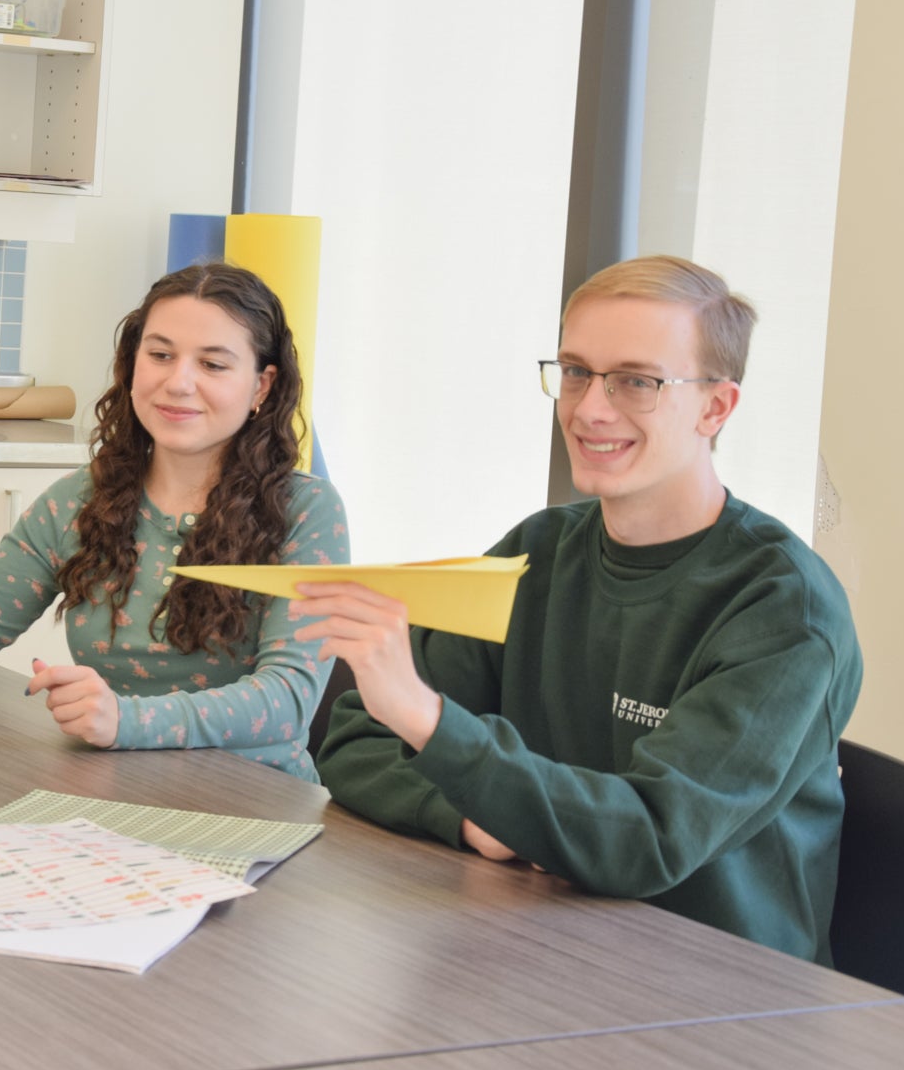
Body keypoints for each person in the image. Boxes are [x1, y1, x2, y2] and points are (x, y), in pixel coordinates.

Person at [296, 255, 861, 962]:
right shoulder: (539, 551)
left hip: (714, 995)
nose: (590, 408)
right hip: (537, 942)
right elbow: (355, 745)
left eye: (636, 382)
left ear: (716, 407)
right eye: (575, 372)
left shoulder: (784, 607)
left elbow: (648, 838)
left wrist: (428, 721)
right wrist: (469, 818)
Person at [0, 262, 350, 781]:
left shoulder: (306, 512)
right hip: (112, 795)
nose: (178, 382)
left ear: (262, 387)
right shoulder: (78, 501)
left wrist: (124, 720)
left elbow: (289, 700)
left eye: (213, 365)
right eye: (160, 355)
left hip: (258, 807)